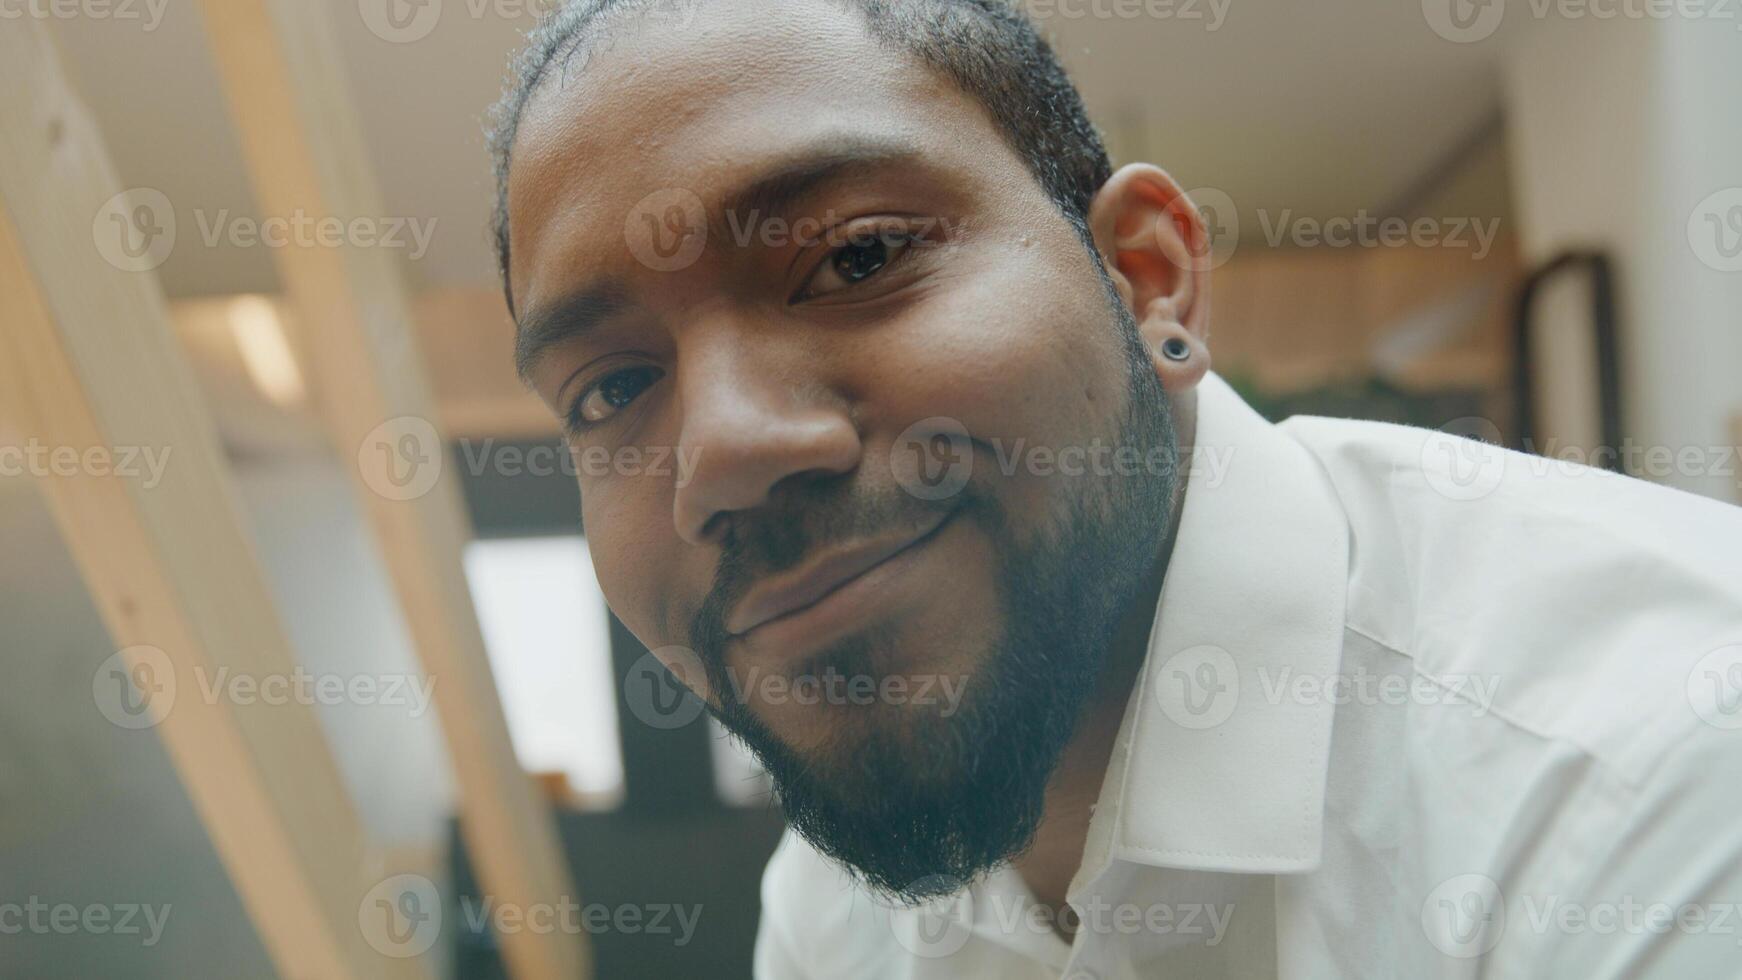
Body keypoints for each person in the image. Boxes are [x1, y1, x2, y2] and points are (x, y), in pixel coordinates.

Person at [486, 1, 1742, 975]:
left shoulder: (1653, 780)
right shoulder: (840, 905)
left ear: (1148, 281)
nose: (721, 454)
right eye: (606, 391)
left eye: (855, 256)